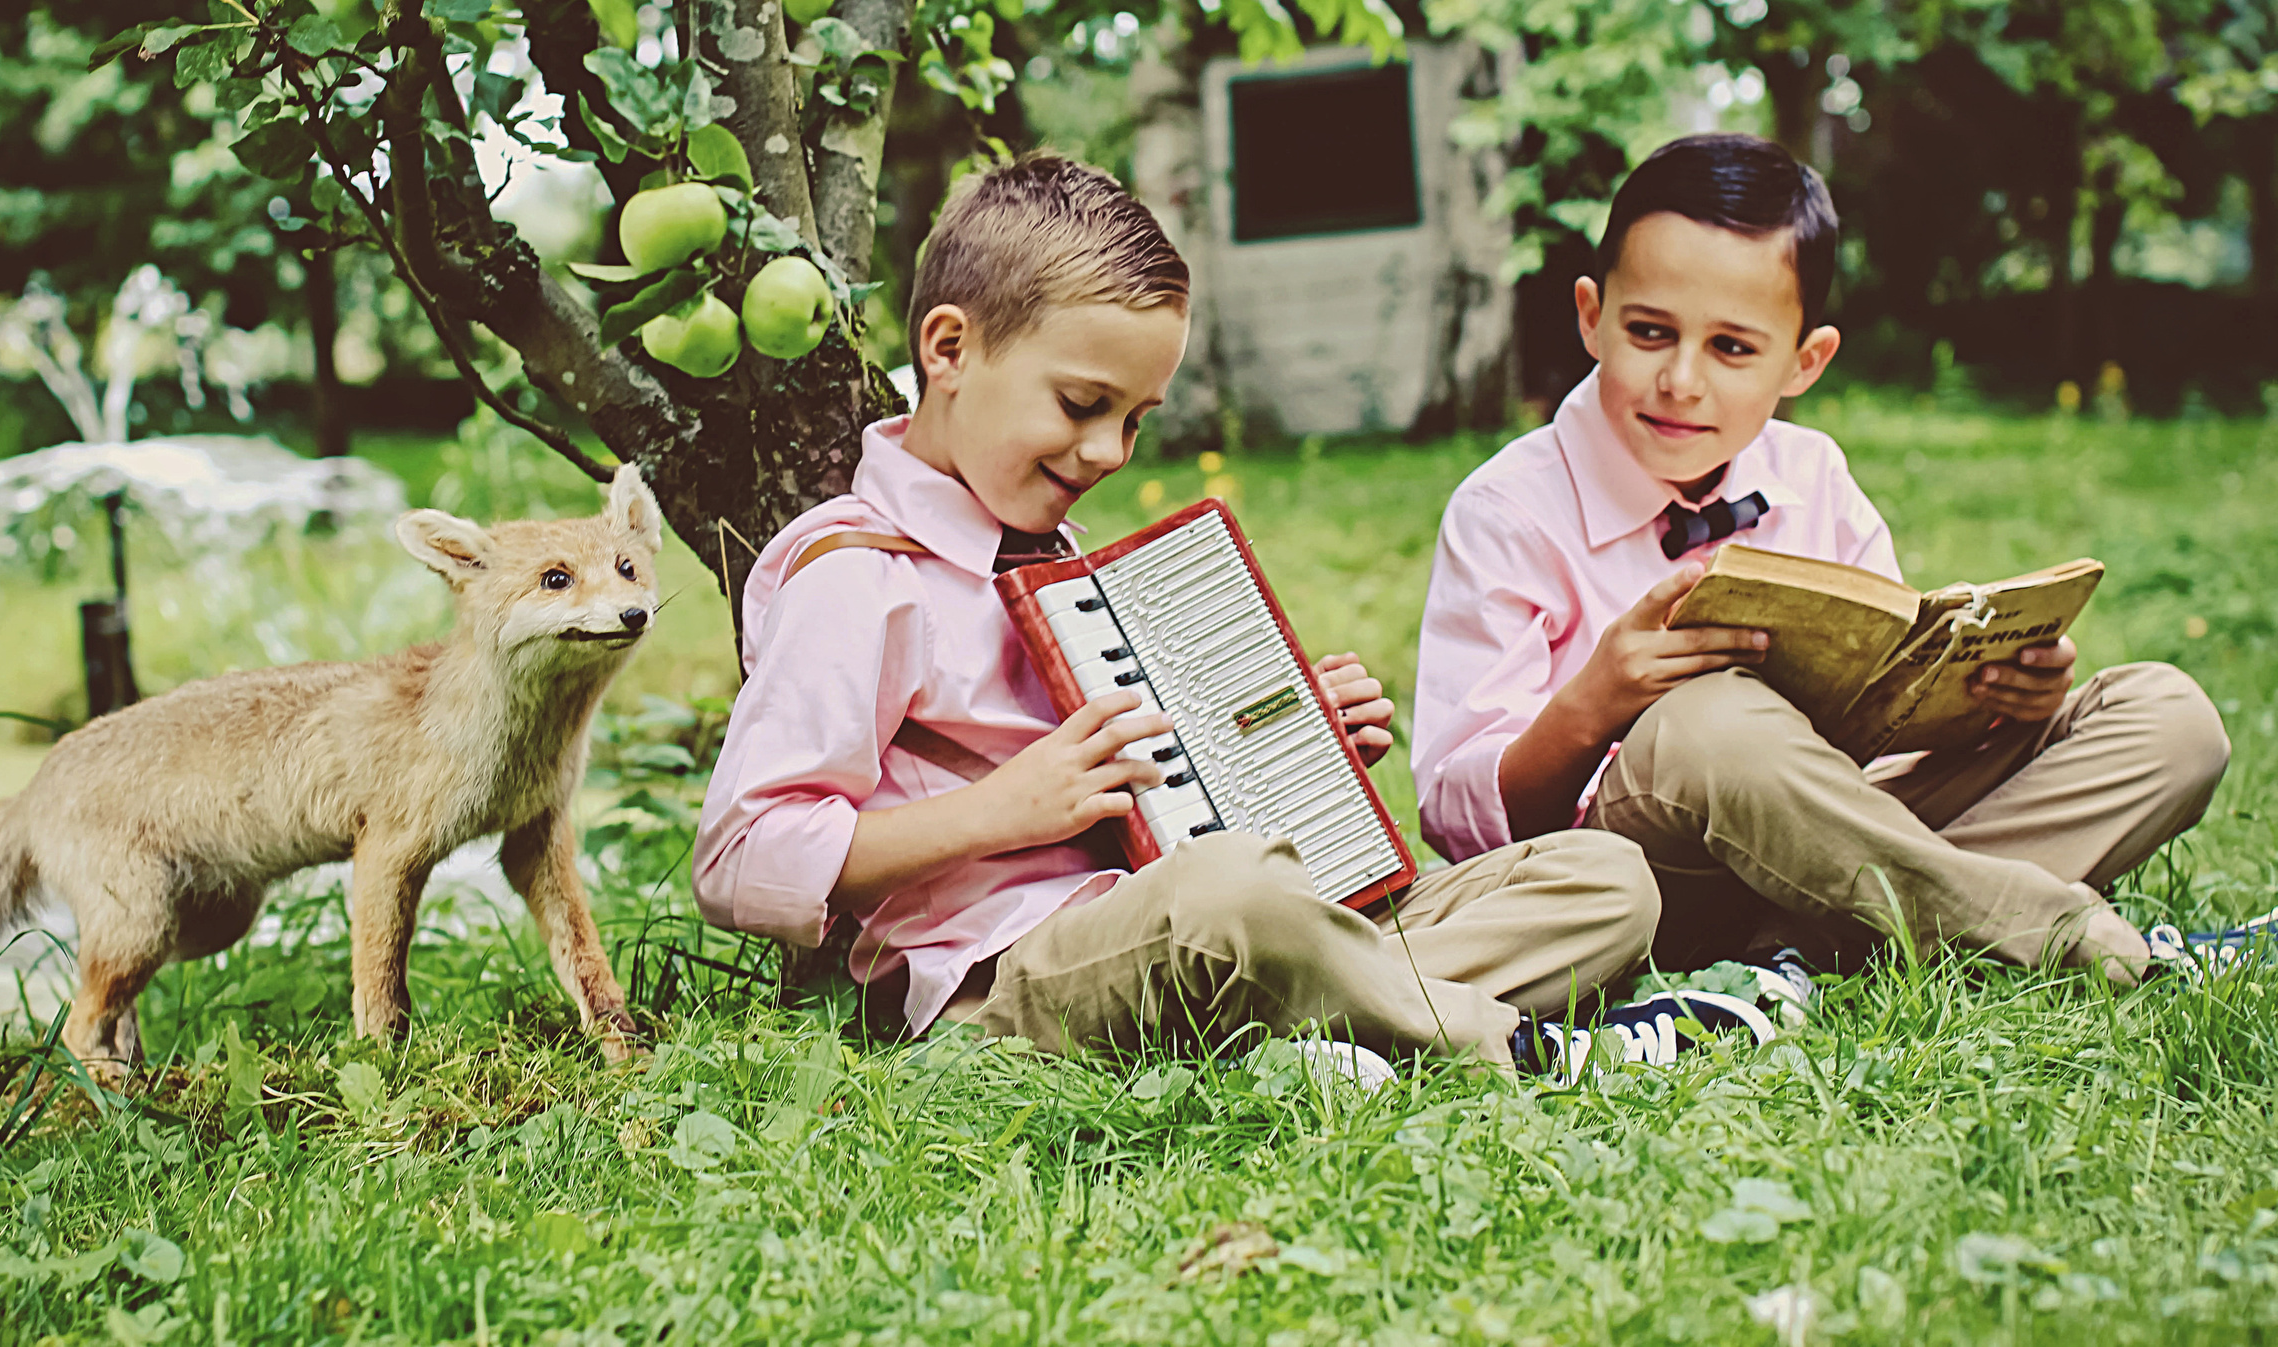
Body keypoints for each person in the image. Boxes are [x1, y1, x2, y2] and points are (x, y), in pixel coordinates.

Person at [694, 153, 1749, 1083]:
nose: (1108, 454)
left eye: (1136, 420)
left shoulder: (1058, 558)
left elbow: (1159, 804)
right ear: (948, 348)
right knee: (1241, 897)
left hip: (1189, 912)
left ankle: (1317, 1025)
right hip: (1012, 976)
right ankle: (1515, 1045)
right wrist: (1003, 811)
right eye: (1079, 405)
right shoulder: (857, 573)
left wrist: (1286, 743)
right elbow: (742, 855)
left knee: (1605, 877)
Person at [1409, 132, 2235, 983]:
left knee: (2170, 719)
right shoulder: (1506, 509)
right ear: (1592, 316)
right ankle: (2033, 926)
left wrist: (2004, 699)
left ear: (1806, 360)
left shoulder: (1814, 477)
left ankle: (1807, 943)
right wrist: (1596, 701)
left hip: (1826, 833)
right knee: (1710, 720)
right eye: (1651, 332)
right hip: (1640, 880)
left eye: (1732, 348)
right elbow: (1459, 820)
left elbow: (1884, 734)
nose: (1682, 379)